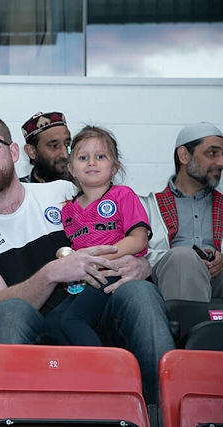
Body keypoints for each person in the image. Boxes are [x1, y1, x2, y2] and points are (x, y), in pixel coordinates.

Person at [0, 113, 174, 404]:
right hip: (34, 330)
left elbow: (126, 231)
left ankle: (164, 411)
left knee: (140, 291)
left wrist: (141, 264)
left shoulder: (63, 192)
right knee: (11, 310)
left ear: (13, 152)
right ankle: (0, 414)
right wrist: (53, 272)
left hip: (95, 317)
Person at [59, 125, 151, 346]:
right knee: (51, 323)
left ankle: (105, 373)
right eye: (83, 157)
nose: (92, 162)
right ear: (71, 168)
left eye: (100, 156)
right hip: (84, 280)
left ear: (115, 166)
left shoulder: (123, 195)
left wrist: (98, 260)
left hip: (114, 273)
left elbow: (139, 239)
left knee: (72, 321)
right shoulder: (67, 210)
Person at [140, 122, 223, 302]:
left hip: (218, 280)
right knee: (183, 257)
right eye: (212, 153)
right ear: (184, 156)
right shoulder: (147, 202)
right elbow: (139, 251)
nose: (221, 162)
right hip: (167, 279)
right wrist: (190, 261)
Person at [19, 111, 73, 183]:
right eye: (54, 146)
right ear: (32, 151)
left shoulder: (84, 188)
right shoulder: (18, 191)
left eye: (67, 145)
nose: (65, 155)